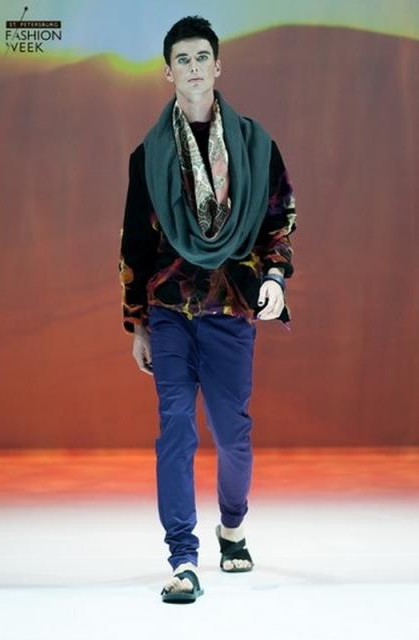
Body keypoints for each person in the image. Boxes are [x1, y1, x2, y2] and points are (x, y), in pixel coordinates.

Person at [118, 15, 297, 603]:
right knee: (175, 427)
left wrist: (276, 278)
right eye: (183, 59)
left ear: (218, 66)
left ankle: (232, 526)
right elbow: (135, 245)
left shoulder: (256, 145)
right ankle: (183, 557)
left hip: (231, 308)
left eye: (202, 58)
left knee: (231, 431)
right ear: (167, 72)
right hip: (169, 309)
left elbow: (277, 221)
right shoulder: (149, 155)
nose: (193, 68)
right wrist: (138, 323)